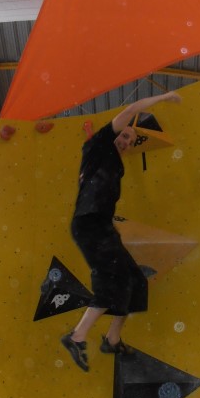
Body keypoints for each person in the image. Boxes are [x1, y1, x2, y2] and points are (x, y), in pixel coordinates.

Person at [61, 90, 182, 371]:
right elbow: (130, 110)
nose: (125, 141)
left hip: (102, 227)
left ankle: (112, 339)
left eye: (130, 140)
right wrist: (163, 97)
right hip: (89, 223)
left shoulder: (116, 165)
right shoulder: (99, 144)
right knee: (110, 278)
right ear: (114, 132)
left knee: (135, 281)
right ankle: (77, 336)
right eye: (124, 135)